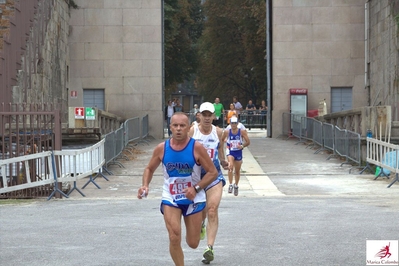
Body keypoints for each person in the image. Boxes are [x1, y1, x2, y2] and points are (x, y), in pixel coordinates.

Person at [137, 112, 218, 266]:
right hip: (171, 197)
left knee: (193, 243)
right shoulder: (162, 148)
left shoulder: (197, 147)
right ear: (170, 127)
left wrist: (196, 188)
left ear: (189, 128)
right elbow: (149, 169)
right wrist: (145, 185)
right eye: (175, 125)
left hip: (193, 198)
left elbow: (213, 173)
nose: (179, 129)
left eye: (182, 126)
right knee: (174, 236)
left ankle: (200, 223)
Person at [189, 102, 229, 265]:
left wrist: (224, 162)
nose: (206, 118)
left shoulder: (219, 132)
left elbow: (220, 152)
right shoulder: (192, 131)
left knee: (212, 209)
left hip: (214, 176)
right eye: (203, 115)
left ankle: (209, 248)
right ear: (199, 115)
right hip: (197, 177)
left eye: (209, 115)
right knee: (202, 212)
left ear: (214, 116)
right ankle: (201, 225)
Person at [222, 116, 250, 196]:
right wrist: (225, 141)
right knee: (230, 166)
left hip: (238, 152)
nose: (233, 125)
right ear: (230, 124)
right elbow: (222, 138)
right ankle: (230, 184)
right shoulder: (227, 131)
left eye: (235, 123)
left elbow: (248, 142)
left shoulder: (241, 132)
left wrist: (242, 146)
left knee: (237, 171)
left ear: (237, 124)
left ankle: (236, 185)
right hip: (230, 151)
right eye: (232, 123)